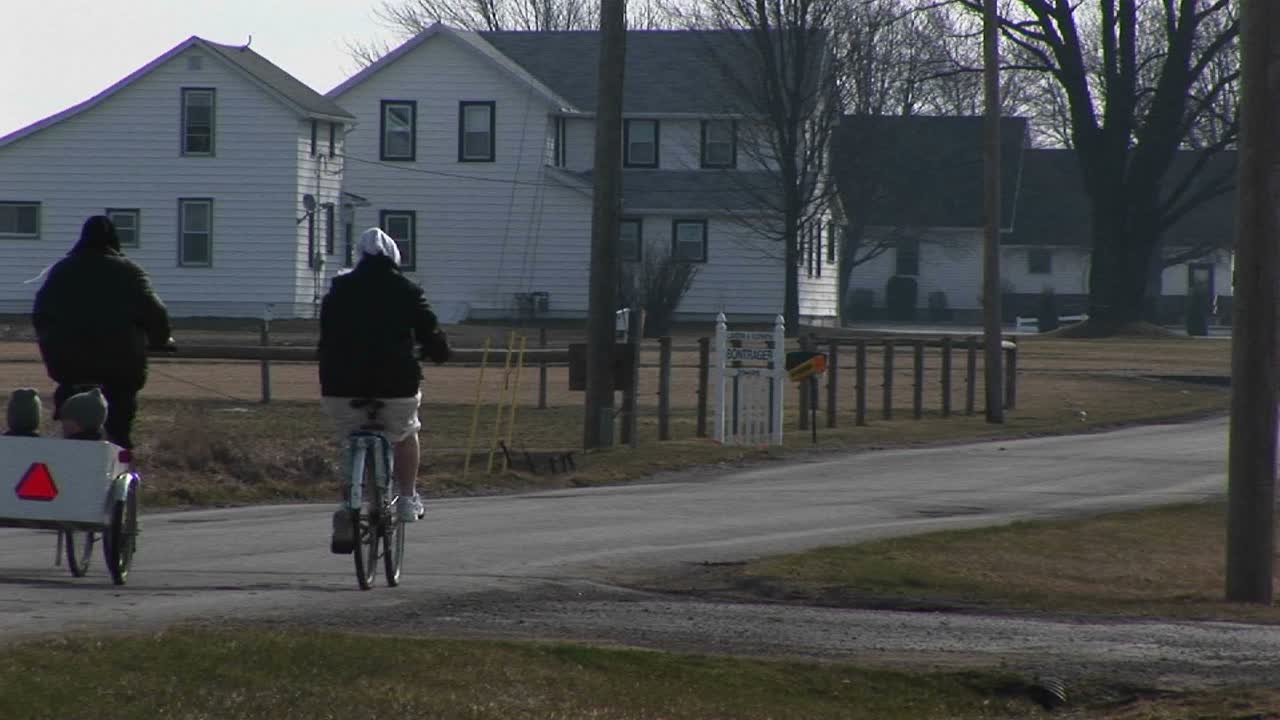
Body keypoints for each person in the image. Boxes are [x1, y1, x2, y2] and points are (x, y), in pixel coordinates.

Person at [318, 227, 450, 551]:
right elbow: (430, 333)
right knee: (406, 433)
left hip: (341, 388)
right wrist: (437, 351)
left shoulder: (338, 290)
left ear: (359, 257)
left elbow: (326, 335)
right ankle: (406, 498)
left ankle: (349, 507)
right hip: (396, 387)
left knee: (350, 439)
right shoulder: (407, 291)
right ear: (395, 258)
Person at [32, 216, 174, 449]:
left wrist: (51, 344)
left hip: (70, 366)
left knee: (72, 429)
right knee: (119, 425)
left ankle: (68, 463)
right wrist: (160, 340)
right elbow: (155, 311)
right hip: (120, 368)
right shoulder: (130, 272)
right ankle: (119, 456)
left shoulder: (62, 271)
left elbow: (40, 314)